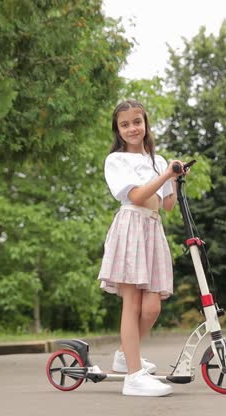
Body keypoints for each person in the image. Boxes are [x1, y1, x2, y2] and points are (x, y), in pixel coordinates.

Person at [97, 99, 186, 397]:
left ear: (146, 124)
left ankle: (125, 356)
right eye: (125, 124)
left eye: (137, 121)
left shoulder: (157, 160)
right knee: (132, 304)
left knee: (152, 306)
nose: (132, 128)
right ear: (118, 130)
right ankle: (133, 377)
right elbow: (136, 196)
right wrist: (164, 175)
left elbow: (168, 205)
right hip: (131, 227)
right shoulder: (116, 161)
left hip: (152, 228)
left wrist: (175, 178)